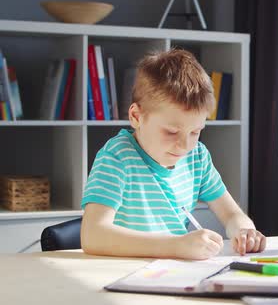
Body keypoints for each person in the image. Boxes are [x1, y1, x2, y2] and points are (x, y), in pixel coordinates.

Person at [80, 49, 265, 259]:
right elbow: (93, 236)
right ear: (136, 116)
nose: (184, 145)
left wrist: (244, 230)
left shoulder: (197, 157)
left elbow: (231, 214)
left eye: (195, 132)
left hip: (169, 272)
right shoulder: (117, 158)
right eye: (171, 132)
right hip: (124, 272)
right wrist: (176, 245)